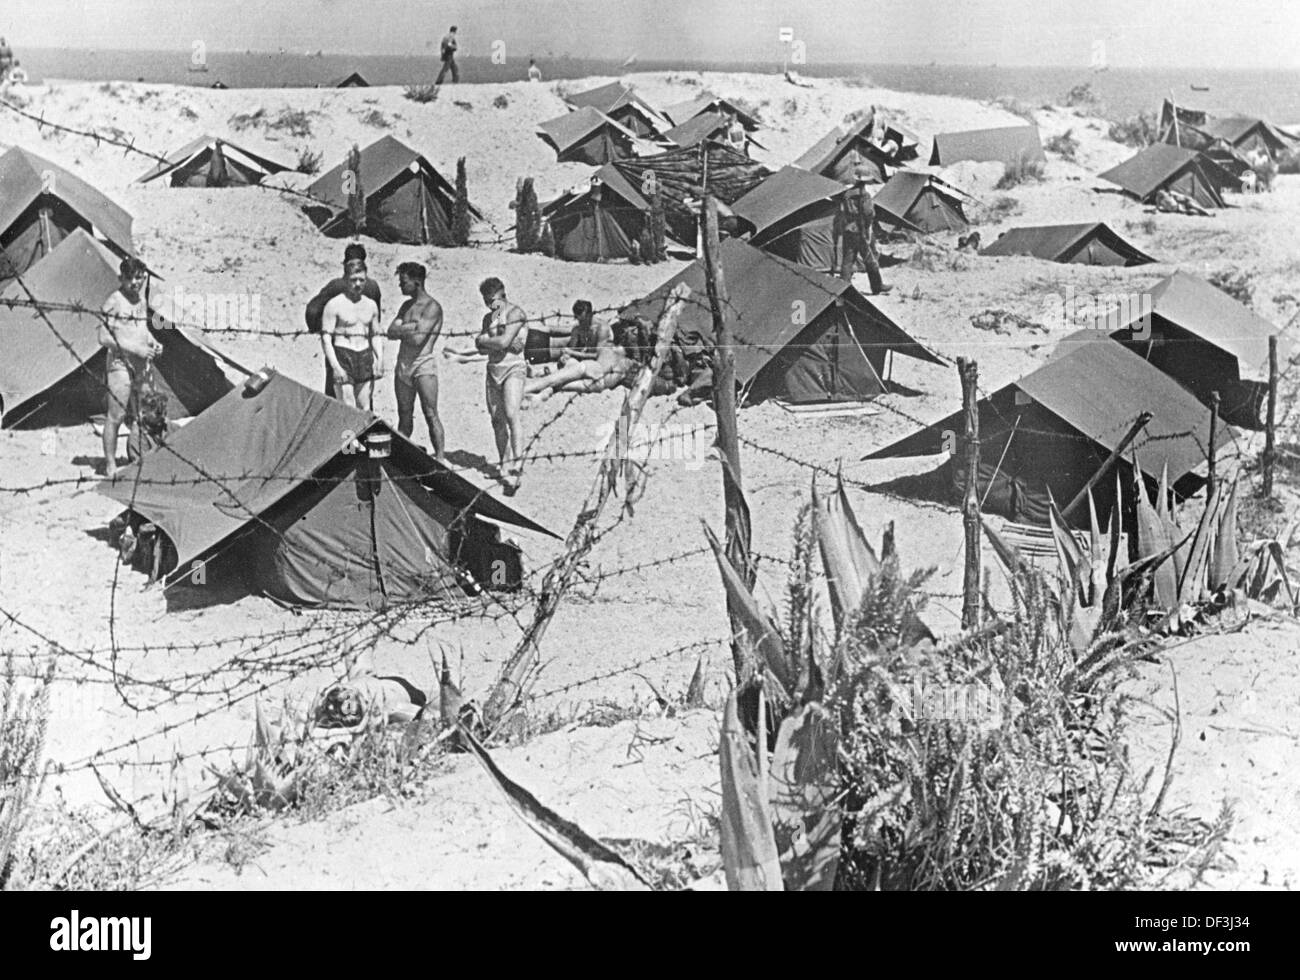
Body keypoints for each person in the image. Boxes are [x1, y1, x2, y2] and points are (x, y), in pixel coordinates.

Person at [99, 258, 163, 479]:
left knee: (144, 413)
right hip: (120, 363)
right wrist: (135, 348)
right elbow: (104, 337)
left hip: (141, 362)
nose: (135, 283)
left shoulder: (140, 300)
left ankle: (136, 456)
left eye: (139, 278)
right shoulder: (114, 301)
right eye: (130, 278)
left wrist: (153, 341)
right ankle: (110, 464)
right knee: (115, 416)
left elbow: (141, 327)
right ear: (121, 278)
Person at [386, 262, 446, 460]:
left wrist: (404, 329)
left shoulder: (432, 307)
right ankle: (401, 457)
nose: (400, 286)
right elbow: (390, 332)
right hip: (403, 364)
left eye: (404, 282)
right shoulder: (406, 306)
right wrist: (412, 327)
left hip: (423, 365)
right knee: (404, 414)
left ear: (417, 282)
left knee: (430, 414)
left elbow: (418, 340)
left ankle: (440, 458)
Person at [305, 243, 382, 395]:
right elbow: (376, 319)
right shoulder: (373, 286)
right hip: (364, 346)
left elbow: (313, 310)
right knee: (364, 399)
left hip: (338, 347)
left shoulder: (337, 285)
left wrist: (316, 328)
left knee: (335, 392)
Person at [475, 277, 527, 493]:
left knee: (512, 413)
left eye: (493, 300)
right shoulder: (493, 316)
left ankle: (517, 464)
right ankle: (504, 463)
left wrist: (487, 341)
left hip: (513, 368)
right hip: (493, 369)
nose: (490, 305)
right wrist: (489, 342)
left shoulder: (515, 313)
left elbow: (504, 342)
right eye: (487, 302)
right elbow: (482, 345)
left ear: (503, 295)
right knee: (497, 419)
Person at [321, 258, 383, 409]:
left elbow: (375, 334)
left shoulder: (370, 305)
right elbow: (326, 338)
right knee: (347, 406)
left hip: (364, 355)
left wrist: (379, 359)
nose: (358, 284)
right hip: (343, 354)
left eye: (362, 280)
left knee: (365, 407)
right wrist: (336, 367)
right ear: (345, 280)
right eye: (353, 280)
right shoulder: (334, 304)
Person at [835, 166, 891, 294]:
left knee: (848, 260)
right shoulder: (865, 195)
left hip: (848, 229)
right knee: (870, 258)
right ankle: (877, 286)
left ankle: (844, 289)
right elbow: (869, 213)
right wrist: (868, 227)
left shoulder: (847, 194)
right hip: (861, 231)